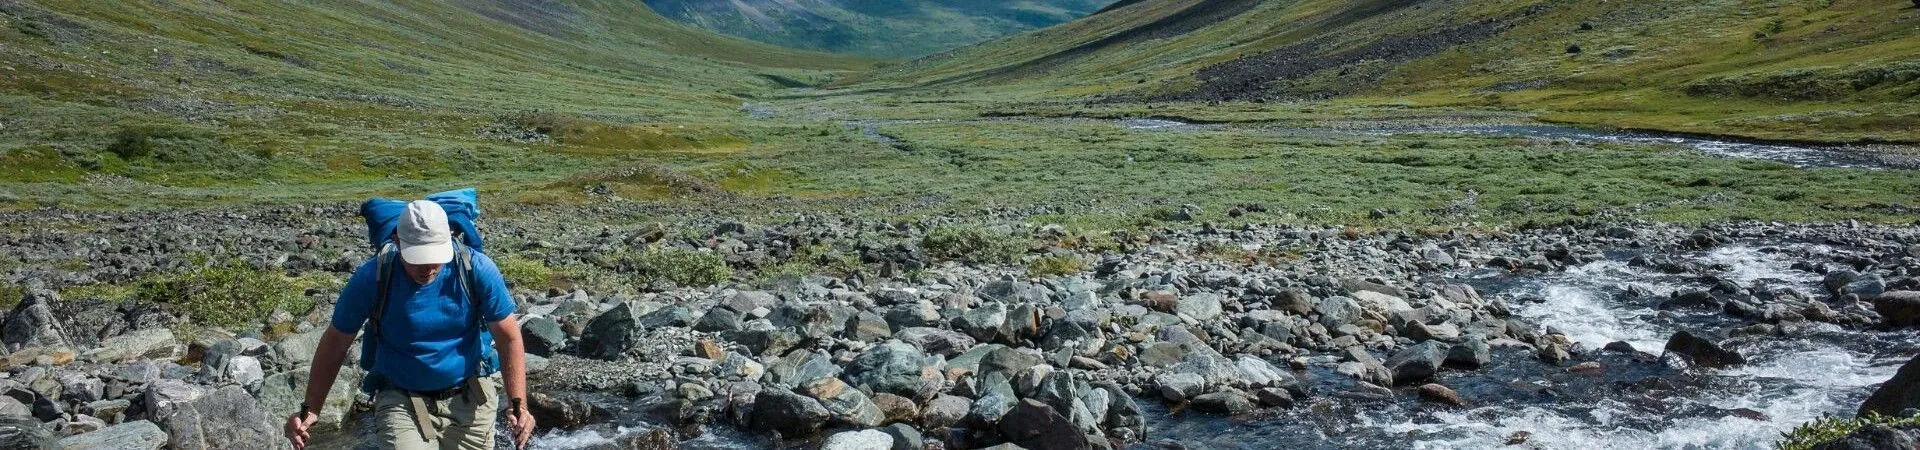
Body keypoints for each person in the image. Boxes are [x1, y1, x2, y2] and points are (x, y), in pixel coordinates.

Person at [284, 200, 536, 449]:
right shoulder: (372, 277)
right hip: (400, 399)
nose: (427, 268)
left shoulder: (476, 269)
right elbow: (336, 343)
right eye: (417, 258)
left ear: (449, 239)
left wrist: (518, 404)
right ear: (397, 242)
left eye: (435, 257)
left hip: (470, 397)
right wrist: (311, 408)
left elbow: (508, 338)